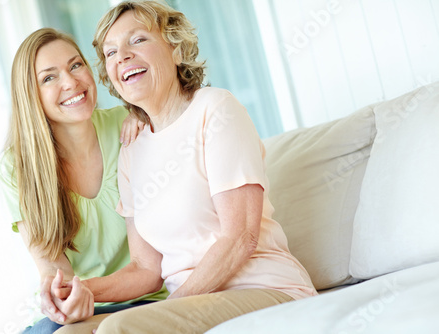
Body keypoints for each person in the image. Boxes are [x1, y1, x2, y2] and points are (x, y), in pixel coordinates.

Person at [49, 1, 320, 333]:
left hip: (265, 289)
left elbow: (240, 238)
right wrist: (84, 289)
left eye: (137, 40)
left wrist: (168, 309)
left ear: (176, 49)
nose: (123, 56)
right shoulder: (132, 150)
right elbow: (145, 269)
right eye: (111, 52)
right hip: (192, 304)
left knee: (117, 330)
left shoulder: (215, 109)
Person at [0, 27, 168, 334]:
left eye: (76, 65)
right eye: (49, 77)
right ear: (29, 95)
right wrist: (58, 296)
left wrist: (83, 290)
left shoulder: (129, 128)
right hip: (82, 306)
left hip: (146, 300)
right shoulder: (16, 168)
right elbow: (52, 267)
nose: (71, 82)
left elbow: (151, 270)